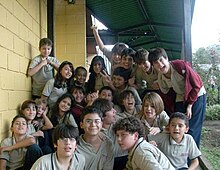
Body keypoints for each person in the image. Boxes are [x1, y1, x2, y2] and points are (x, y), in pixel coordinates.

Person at [148, 47, 206, 147]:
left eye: (161, 60)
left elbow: (197, 85)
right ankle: (179, 153)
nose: (160, 65)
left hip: (197, 94)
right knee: (179, 123)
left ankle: (192, 156)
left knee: (192, 128)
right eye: (156, 63)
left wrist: (190, 105)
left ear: (166, 59)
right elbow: (166, 97)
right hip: (181, 96)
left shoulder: (180, 66)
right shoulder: (161, 78)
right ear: (153, 66)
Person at [92, 98, 128, 170]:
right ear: (102, 116)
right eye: (111, 110)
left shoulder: (121, 121)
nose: (115, 111)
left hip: (125, 158)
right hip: (105, 162)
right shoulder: (93, 130)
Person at [77, 106, 114, 170]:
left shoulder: (108, 144)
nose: (93, 125)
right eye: (88, 121)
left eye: (97, 121)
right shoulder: (75, 146)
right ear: (81, 125)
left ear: (101, 124)